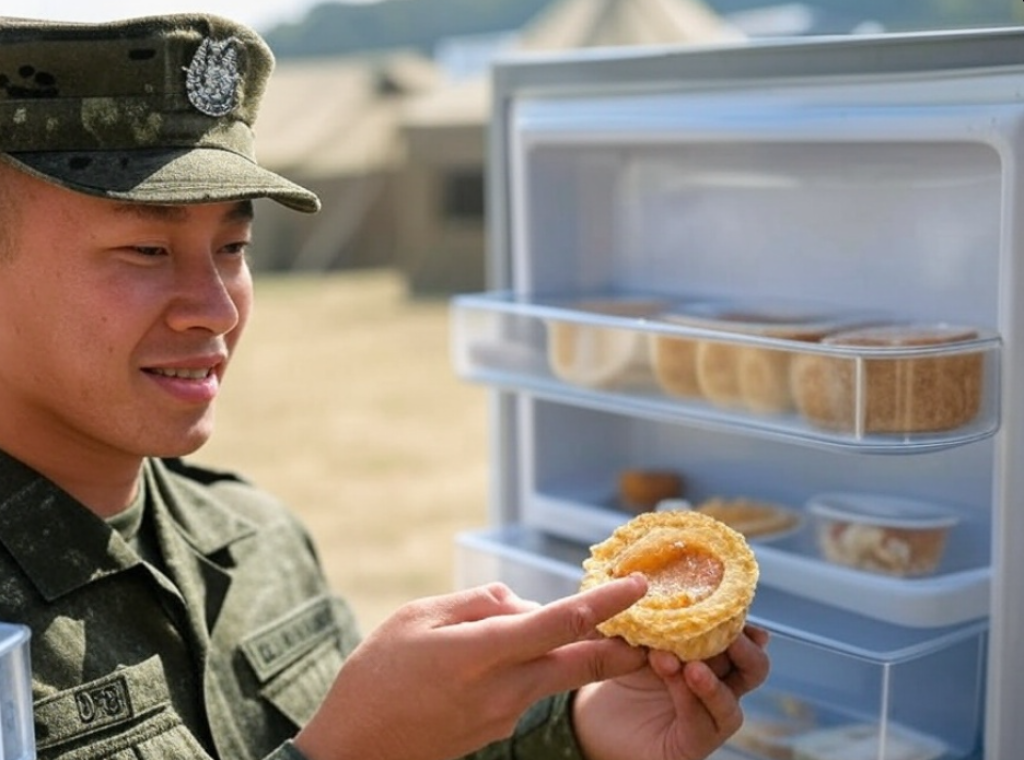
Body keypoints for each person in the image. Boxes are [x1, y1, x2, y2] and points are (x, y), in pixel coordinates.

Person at [0, 12, 770, 760]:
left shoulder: (252, 537)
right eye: (145, 249)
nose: (215, 308)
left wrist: (581, 734)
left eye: (233, 246)